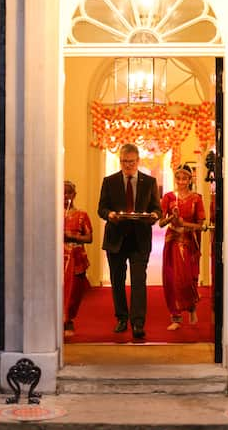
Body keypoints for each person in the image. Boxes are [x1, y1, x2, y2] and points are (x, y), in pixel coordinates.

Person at [98, 143, 161, 339]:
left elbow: (157, 209)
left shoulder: (149, 182)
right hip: (116, 238)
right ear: (120, 161)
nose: (128, 165)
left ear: (138, 161)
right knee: (117, 282)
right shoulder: (110, 181)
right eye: (125, 162)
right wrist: (110, 215)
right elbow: (101, 208)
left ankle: (138, 323)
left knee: (138, 282)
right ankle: (122, 319)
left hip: (139, 239)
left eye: (131, 162)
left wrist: (153, 215)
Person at [159, 164, 206, 330]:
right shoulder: (169, 197)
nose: (181, 181)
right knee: (171, 279)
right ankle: (175, 317)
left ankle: (192, 307)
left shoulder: (196, 199)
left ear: (190, 179)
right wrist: (172, 217)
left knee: (187, 279)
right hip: (172, 242)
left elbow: (200, 225)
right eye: (178, 178)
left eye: (184, 178)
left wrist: (183, 223)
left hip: (188, 243)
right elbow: (161, 222)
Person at [63, 180, 93, 338]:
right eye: (62, 192)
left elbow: (89, 238)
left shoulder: (82, 215)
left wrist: (72, 236)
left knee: (74, 291)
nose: (65, 196)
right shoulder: (54, 214)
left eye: (68, 192)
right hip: (58, 259)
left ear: (74, 195)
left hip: (76, 258)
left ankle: (69, 320)